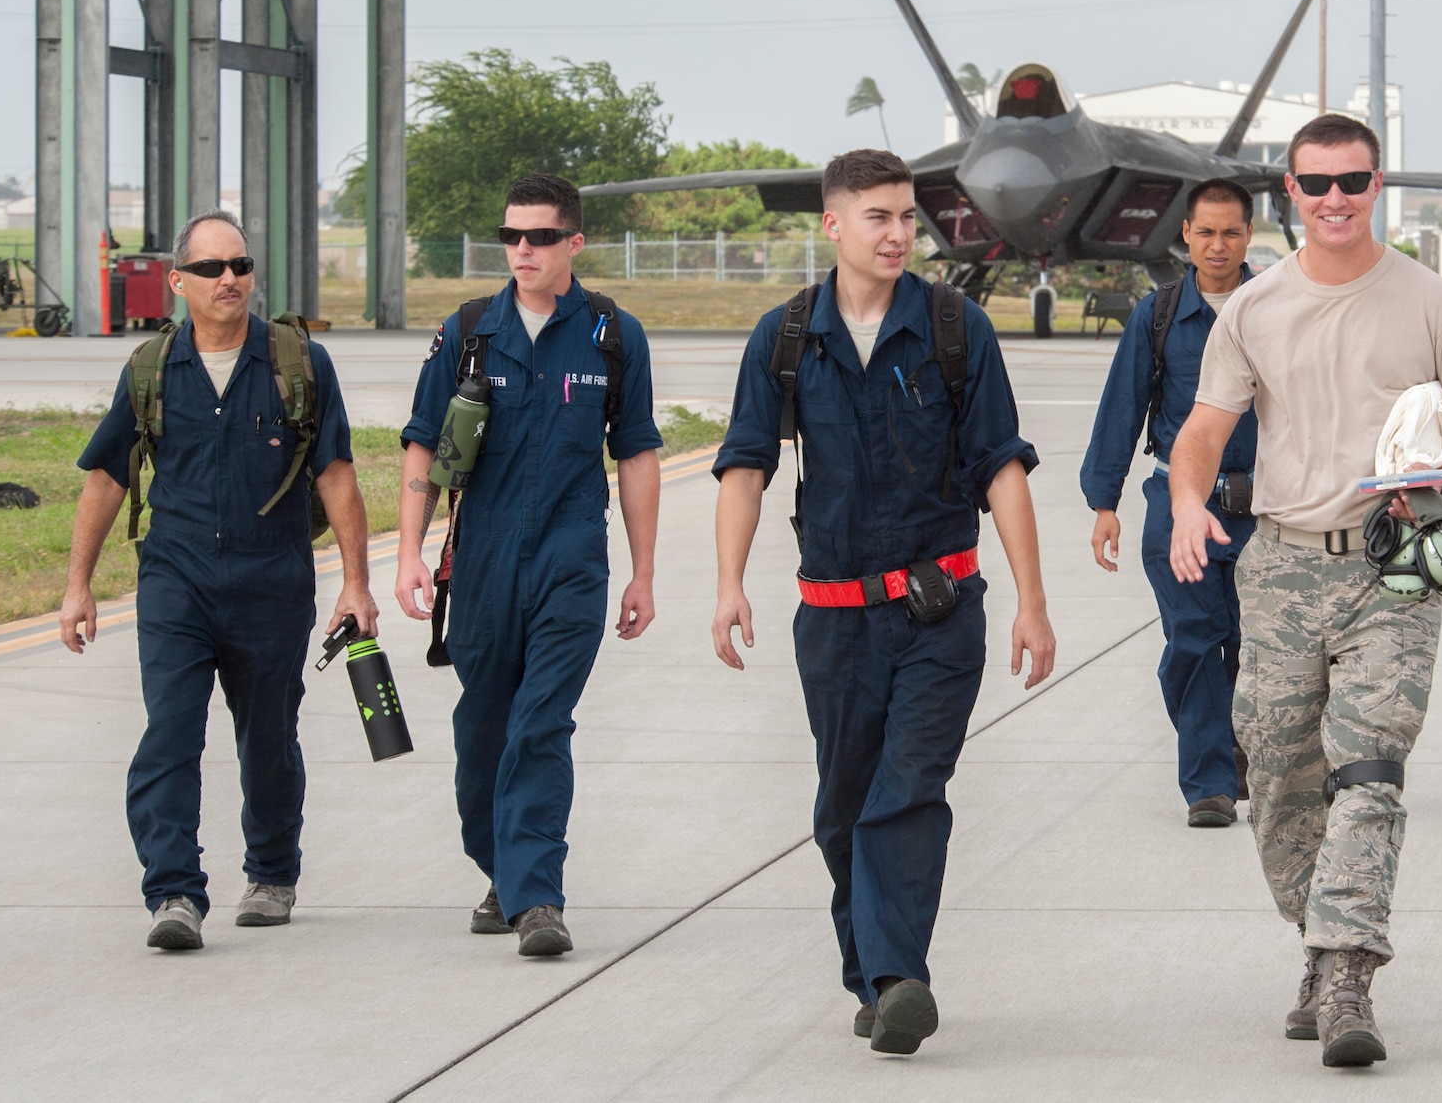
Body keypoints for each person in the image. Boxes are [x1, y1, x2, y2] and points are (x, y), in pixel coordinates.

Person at [1168, 113, 1442, 1067]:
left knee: (1369, 771)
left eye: (1353, 181)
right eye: (1316, 183)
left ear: (1377, 186)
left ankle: (1350, 974)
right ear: (1291, 192)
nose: (1335, 199)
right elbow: (1202, 428)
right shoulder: (1254, 307)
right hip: (1278, 563)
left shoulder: (1432, 302)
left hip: (1393, 564)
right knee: (1277, 774)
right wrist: (1186, 505)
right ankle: (1319, 948)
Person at [710, 148, 1056, 1056]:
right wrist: (727, 586)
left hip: (941, 611)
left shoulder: (955, 328)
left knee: (907, 790)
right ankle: (871, 970)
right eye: (879, 217)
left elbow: (1002, 468)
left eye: (908, 216)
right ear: (833, 224)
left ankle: (902, 978)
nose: (900, 233)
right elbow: (746, 467)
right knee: (842, 808)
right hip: (831, 617)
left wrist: (1031, 600)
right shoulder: (785, 338)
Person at [59, 211, 375, 951]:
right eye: (209, 269)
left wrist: (355, 585)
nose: (228, 279)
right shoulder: (150, 368)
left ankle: (270, 873)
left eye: (239, 265)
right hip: (177, 575)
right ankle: (174, 891)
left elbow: (335, 474)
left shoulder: (299, 362)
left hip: (274, 575)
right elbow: (109, 476)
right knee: (169, 732)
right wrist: (77, 586)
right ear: (178, 282)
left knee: (267, 738)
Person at [395, 173, 663, 958]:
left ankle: (537, 895)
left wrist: (643, 571)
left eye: (541, 237)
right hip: (480, 560)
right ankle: (501, 869)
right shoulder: (469, 332)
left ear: (574, 243)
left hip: (571, 558)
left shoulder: (613, 335)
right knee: (485, 730)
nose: (523, 250)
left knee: (542, 723)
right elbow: (422, 441)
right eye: (512, 235)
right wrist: (410, 551)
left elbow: (638, 454)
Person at [1081, 177, 1260, 828]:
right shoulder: (1155, 316)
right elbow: (1121, 410)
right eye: (1206, 231)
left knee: (1254, 644)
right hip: (1178, 506)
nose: (1218, 245)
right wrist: (1105, 502)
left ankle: (1245, 752)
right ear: (1185, 232)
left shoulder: (1275, 309)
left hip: (1264, 511)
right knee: (1193, 638)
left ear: (1249, 234)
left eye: (1231, 231)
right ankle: (1208, 781)